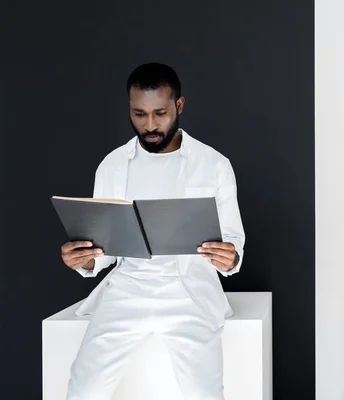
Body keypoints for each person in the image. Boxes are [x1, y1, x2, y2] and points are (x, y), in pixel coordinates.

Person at [59, 62, 245, 400]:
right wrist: (84, 260)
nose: (150, 125)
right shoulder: (112, 165)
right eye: (139, 114)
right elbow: (105, 251)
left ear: (179, 105)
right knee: (82, 390)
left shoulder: (213, 164)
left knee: (205, 394)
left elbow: (233, 238)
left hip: (190, 294)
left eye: (159, 113)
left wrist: (229, 257)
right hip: (126, 292)